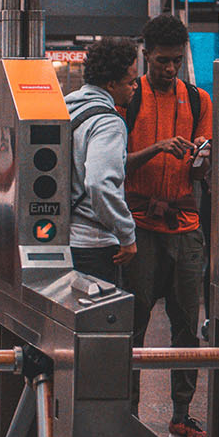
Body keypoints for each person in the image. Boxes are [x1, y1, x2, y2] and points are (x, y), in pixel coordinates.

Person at [124, 14, 212, 437]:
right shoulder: (129, 98)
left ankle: (182, 414)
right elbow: (113, 164)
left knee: (185, 326)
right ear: (147, 54)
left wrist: (203, 160)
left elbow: (204, 166)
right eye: (162, 61)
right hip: (138, 226)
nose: (170, 69)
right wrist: (156, 149)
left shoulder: (198, 101)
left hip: (184, 224)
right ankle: (129, 413)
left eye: (176, 61)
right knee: (133, 324)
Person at [64, 37, 139, 285]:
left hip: (65, 239)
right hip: (94, 246)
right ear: (111, 83)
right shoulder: (108, 122)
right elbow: (99, 183)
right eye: (130, 81)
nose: (135, 87)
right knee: (99, 320)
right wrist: (127, 234)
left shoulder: (68, 108)